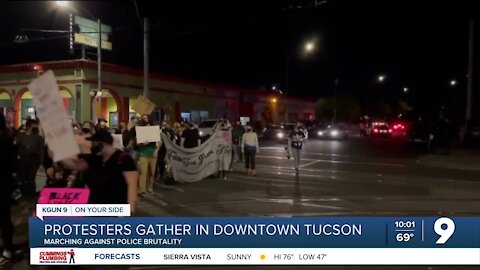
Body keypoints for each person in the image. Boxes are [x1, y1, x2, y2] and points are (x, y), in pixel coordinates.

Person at [62, 129, 139, 213]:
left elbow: (132, 185)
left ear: (102, 144)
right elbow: (76, 165)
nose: (91, 146)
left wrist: (130, 208)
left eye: (93, 143)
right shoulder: (95, 158)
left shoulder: (124, 159)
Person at [0, 114, 17, 266]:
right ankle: (7, 247)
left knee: (4, 218)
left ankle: (8, 249)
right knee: (4, 217)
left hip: (3, 185)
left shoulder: (5, 142)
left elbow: (10, 164)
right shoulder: (7, 140)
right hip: (5, 184)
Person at [14, 119, 44, 196]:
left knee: (31, 177)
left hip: (33, 159)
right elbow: (15, 146)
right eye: (33, 126)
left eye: (35, 126)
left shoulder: (38, 137)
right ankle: (24, 193)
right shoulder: (21, 135)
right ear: (28, 126)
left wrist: (41, 163)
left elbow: (41, 150)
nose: (34, 127)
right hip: (23, 159)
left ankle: (30, 194)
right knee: (23, 177)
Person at [136, 115, 158, 196]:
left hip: (153, 154)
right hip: (143, 153)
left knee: (152, 172)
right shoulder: (140, 130)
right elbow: (137, 143)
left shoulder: (154, 129)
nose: (144, 119)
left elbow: (158, 142)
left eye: (145, 118)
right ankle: (142, 189)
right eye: (143, 118)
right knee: (143, 172)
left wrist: (156, 150)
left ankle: (150, 187)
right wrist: (142, 143)